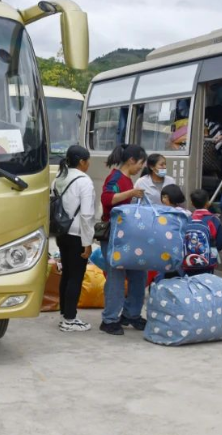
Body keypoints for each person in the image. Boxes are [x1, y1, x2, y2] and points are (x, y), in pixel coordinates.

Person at [99, 143, 147, 336]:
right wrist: (131, 193)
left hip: (128, 236)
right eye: (140, 164)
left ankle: (131, 314)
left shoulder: (127, 179)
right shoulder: (116, 178)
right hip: (114, 236)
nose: (141, 168)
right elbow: (107, 199)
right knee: (116, 278)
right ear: (131, 160)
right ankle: (109, 320)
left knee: (139, 275)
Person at [52, 145, 95, 332]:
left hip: (61, 232)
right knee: (75, 277)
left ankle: (65, 313)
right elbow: (87, 214)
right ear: (82, 161)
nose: (89, 164)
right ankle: (70, 319)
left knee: (67, 274)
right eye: (88, 161)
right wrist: (87, 242)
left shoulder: (59, 177)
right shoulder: (84, 181)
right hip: (77, 234)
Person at [186, 189, 222, 276]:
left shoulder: (187, 219)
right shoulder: (214, 220)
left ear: (192, 203)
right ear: (207, 203)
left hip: (188, 261)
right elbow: (221, 243)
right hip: (207, 263)